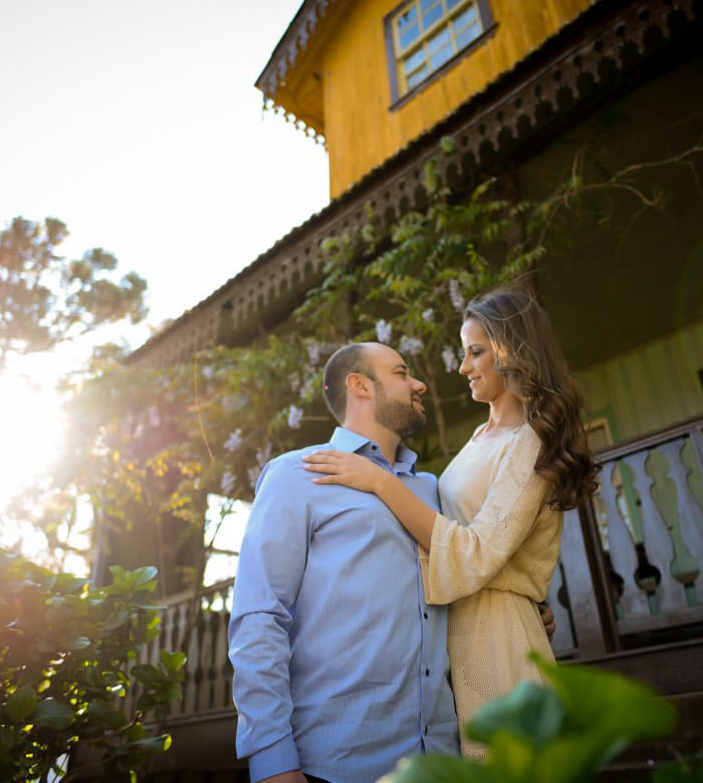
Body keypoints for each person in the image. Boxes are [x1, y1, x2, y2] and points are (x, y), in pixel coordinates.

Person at [302, 288, 598, 759]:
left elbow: (477, 552)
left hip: (498, 643)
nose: (462, 367)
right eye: (464, 353)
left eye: (475, 352)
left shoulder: (531, 442)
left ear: (515, 351)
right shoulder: (481, 437)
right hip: (453, 641)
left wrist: (380, 482)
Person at [229, 342, 460, 783]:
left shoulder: (433, 491)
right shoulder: (296, 473)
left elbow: (461, 576)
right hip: (334, 765)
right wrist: (272, 759)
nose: (420, 383)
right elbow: (260, 617)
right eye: (402, 372)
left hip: (442, 762)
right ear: (360, 386)